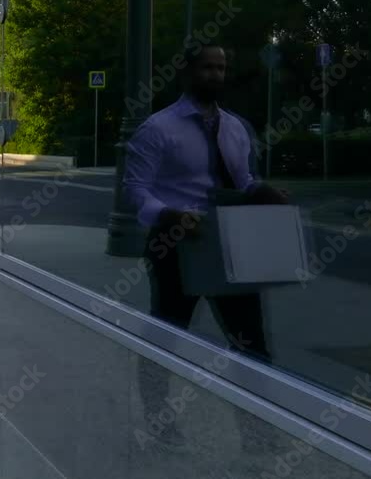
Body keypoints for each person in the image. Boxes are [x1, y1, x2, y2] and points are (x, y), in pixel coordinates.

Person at [123, 43, 288, 449]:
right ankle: (159, 422)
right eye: (207, 68)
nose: (215, 75)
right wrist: (168, 215)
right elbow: (136, 190)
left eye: (221, 67)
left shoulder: (234, 127)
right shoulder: (158, 129)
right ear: (187, 72)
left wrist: (261, 190)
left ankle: (259, 435)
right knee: (167, 333)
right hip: (175, 241)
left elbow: (241, 180)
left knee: (250, 340)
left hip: (229, 240)